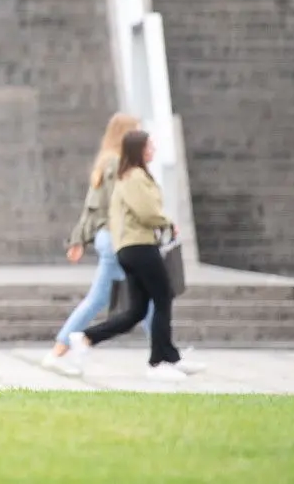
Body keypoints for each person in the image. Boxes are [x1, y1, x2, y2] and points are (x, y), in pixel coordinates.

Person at [67, 130, 205, 380]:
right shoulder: (135, 177)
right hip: (139, 247)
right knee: (163, 297)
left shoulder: (130, 176)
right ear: (138, 150)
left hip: (131, 248)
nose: (153, 150)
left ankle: (87, 338)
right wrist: (167, 222)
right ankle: (159, 362)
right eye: (149, 146)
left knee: (136, 312)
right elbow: (147, 211)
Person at [40, 112, 157, 377]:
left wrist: (79, 238)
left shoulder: (106, 161)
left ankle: (164, 354)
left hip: (109, 238)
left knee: (112, 299)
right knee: (140, 298)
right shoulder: (117, 164)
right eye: (136, 131)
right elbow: (122, 205)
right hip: (118, 237)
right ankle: (163, 355)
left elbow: (91, 208)